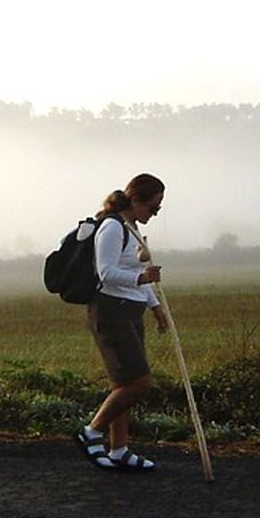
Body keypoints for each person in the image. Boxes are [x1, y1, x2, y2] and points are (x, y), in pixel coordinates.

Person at [74, 173, 169, 472]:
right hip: (111, 311)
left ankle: (119, 450)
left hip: (131, 310)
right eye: (153, 209)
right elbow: (106, 272)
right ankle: (91, 431)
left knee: (123, 384)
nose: (153, 216)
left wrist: (155, 308)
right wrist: (143, 277)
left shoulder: (132, 228)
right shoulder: (113, 227)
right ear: (136, 200)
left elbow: (136, 278)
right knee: (138, 383)